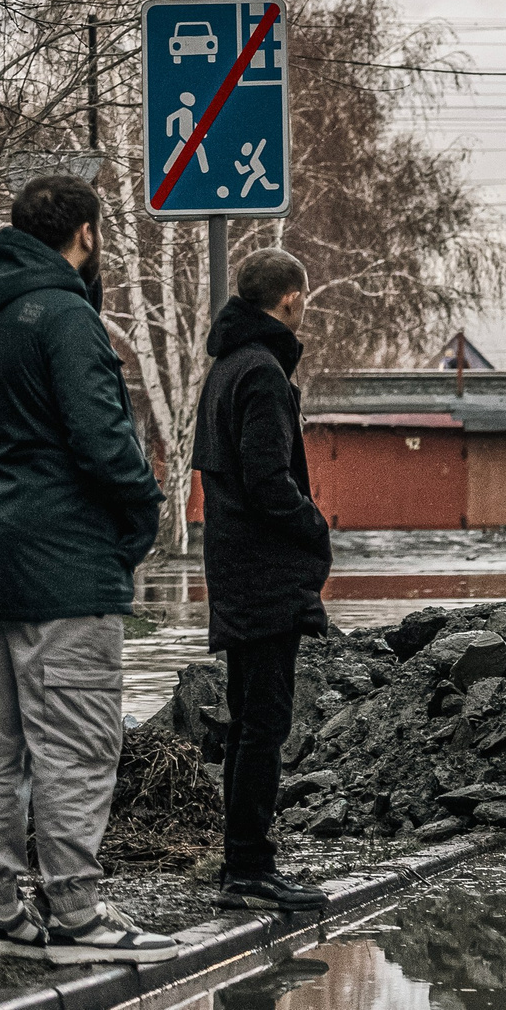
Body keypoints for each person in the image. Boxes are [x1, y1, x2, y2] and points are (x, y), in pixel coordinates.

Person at [0, 174, 177, 965]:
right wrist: (139, 522)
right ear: (88, 234)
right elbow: (107, 446)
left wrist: (0, 524)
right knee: (75, 741)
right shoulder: (70, 317)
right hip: (66, 573)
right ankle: (75, 915)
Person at [190, 248, 332, 912]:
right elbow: (269, 480)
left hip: (234, 569)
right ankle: (248, 866)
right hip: (266, 577)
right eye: (303, 298)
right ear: (291, 299)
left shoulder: (225, 368)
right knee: (263, 726)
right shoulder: (263, 373)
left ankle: (241, 863)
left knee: (249, 720)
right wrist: (315, 525)